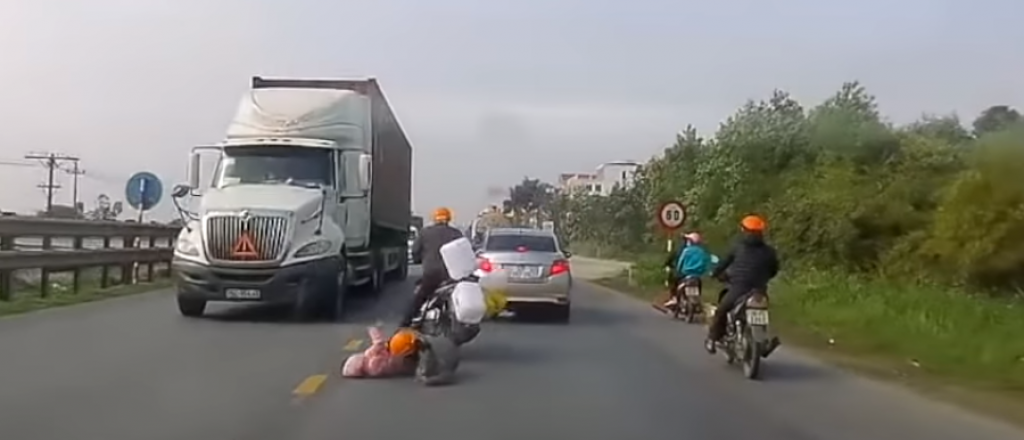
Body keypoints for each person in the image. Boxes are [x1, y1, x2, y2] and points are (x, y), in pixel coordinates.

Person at [705, 215, 780, 354]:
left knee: (722, 310)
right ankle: (763, 341)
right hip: (759, 290)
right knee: (763, 312)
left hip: (739, 288)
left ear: (744, 230)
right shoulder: (769, 251)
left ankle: (712, 338)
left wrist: (713, 273)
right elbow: (774, 270)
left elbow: (723, 263)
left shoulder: (737, 247)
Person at [398, 207, 464, 329]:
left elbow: (415, 251)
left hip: (432, 275)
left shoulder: (425, 233)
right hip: (454, 275)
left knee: (419, 297)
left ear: (434, 219)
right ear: (448, 218)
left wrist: (418, 259)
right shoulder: (457, 233)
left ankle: (405, 324)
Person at [653, 231, 708, 313]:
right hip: (697, 276)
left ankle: (674, 298)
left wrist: (678, 270)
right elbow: (705, 263)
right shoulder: (702, 252)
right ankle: (696, 302)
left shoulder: (686, 251)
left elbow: (681, 262)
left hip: (685, 274)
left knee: (674, 282)